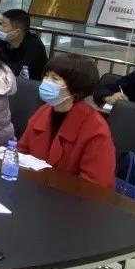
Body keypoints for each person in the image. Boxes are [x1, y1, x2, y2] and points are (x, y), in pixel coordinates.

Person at [19, 53, 116, 188]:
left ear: (76, 87)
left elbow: (96, 186)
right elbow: (20, 152)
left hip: (72, 202)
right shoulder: (43, 111)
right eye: (46, 76)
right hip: (35, 189)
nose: (46, 82)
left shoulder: (95, 129)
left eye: (55, 79)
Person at [0, 9, 48, 80]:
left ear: (17, 32)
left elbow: (17, 72)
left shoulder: (34, 47)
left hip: (29, 85)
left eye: (4, 26)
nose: (0, 29)